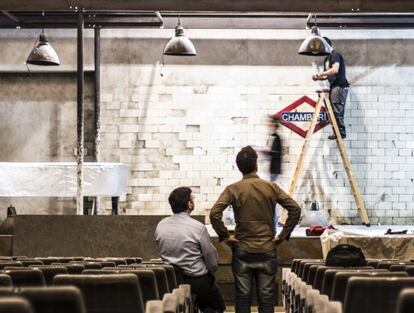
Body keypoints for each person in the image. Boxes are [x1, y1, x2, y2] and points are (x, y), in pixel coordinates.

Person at [210, 146, 301, 313]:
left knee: (243, 296)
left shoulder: (233, 189)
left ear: (239, 167)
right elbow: (295, 209)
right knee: (266, 297)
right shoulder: (271, 187)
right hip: (267, 248)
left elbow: (215, 214)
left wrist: (225, 237)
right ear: (256, 165)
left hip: (242, 250)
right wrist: (282, 236)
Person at [155, 187, 225, 313]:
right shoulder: (198, 227)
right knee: (217, 307)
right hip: (197, 281)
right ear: (189, 204)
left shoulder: (161, 225)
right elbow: (211, 260)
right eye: (192, 198)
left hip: (171, 280)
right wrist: (211, 271)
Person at [312, 37, 350, 140]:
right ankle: (337, 131)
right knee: (334, 111)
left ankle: (341, 132)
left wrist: (321, 74)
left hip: (339, 85)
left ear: (326, 46)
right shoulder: (327, 59)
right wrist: (318, 77)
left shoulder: (335, 55)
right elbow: (327, 75)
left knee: (337, 110)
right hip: (333, 86)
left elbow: (335, 69)